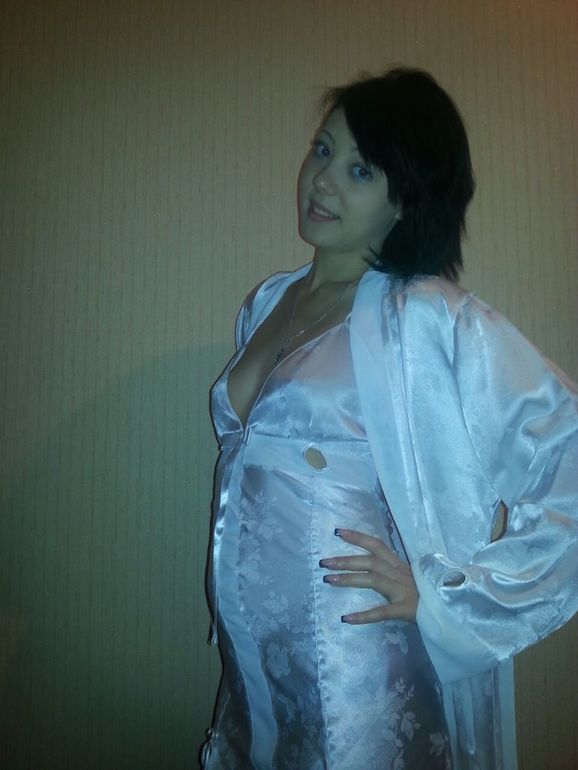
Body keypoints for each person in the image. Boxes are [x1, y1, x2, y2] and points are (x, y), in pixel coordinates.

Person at [200, 67, 578, 770]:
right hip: (254, 681)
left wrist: (449, 596)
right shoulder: (267, 303)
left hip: (358, 677)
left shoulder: (427, 317)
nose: (323, 180)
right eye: (322, 150)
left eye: (360, 169)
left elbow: (568, 454)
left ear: (406, 198)